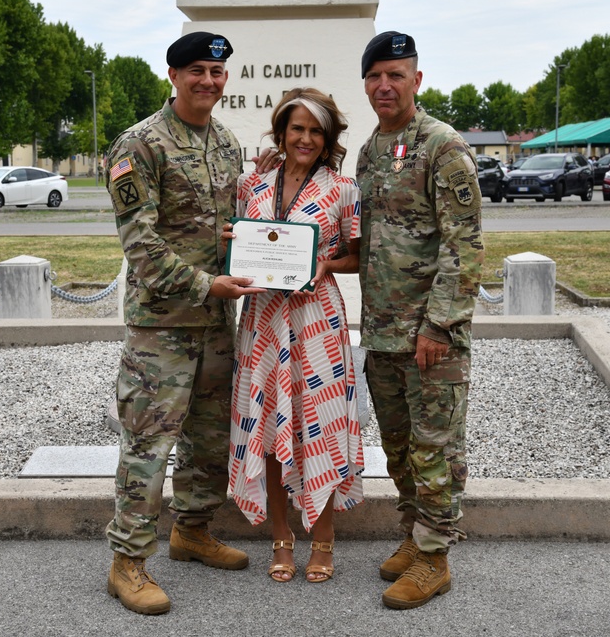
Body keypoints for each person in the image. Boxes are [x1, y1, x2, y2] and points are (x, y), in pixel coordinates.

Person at [103, 31, 264, 616]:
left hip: (217, 321)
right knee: (149, 444)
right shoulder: (138, 145)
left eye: (218, 73)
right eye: (197, 71)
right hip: (162, 327)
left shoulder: (225, 142)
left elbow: (230, 222)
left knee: (209, 437)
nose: (209, 81)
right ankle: (128, 562)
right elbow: (140, 244)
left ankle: (191, 530)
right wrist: (205, 283)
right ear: (173, 75)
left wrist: (250, 235)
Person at [357, 32, 484, 610]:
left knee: (435, 449)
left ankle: (435, 559)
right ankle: (414, 535)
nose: (386, 85)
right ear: (366, 83)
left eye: (396, 74)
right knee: (399, 445)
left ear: (417, 80)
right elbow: (364, 240)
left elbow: (465, 244)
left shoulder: (442, 146)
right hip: (382, 332)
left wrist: (439, 326)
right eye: (376, 75)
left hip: (429, 336)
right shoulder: (371, 150)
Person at [227, 88, 365, 584]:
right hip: (263, 318)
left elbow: (356, 254)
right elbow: (240, 241)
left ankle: (323, 539)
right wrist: (236, 248)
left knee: (320, 427)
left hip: (316, 321)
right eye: (296, 128)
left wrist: (326, 261)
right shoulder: (253, 185)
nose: (304, 138)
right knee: (267, 429)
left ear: (326, 138)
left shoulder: (341, 188)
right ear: (281, 132)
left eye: (315, 130)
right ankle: (281, 540)